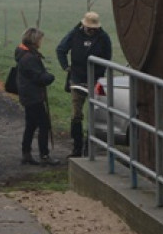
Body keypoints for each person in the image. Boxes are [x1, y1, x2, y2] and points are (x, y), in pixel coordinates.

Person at [55, 12, 113, 157]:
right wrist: (66, 67)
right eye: (89, 28)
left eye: (94, 28)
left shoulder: (104, 38)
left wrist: (100, 73)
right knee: (76, 115)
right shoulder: (74, 34)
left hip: (95, 80)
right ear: (84, 25)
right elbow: (60, 49)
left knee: (94, 115)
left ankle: (89, 147)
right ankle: (77, 147)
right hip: (77, 79)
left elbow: (107, 57)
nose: (92, 31)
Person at [17, 26, 59, 166]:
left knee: (31, 125)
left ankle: (26, 153)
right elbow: (38, 77)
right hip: (33, 96)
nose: (41, 42)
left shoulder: (23, 54)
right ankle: (44, 155)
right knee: (44, 125)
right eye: (40, 39)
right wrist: (49, 77)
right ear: (35, 41)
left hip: (28, 95)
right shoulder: (30, 58)